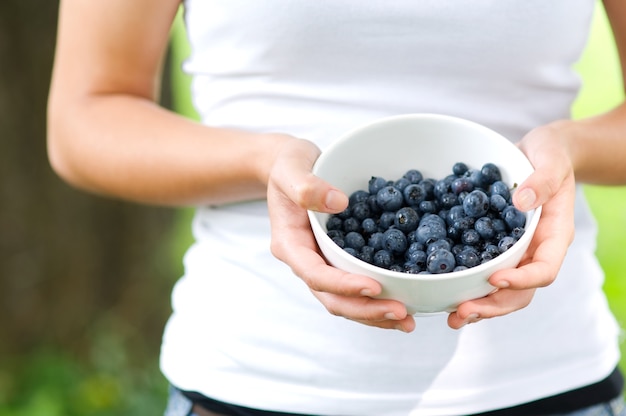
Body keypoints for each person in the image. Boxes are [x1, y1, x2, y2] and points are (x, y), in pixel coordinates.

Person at [47, 0, 626, 415]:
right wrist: (261, 160)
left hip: (549, 382)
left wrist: (567, 149)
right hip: (256, 380)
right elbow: (85, 117)